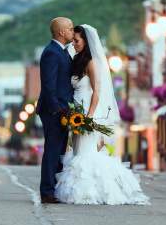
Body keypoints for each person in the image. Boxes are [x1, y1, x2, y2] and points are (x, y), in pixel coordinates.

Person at [54, 24, 150, 205]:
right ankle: (82, 190)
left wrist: (88, 118)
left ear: (86, 42)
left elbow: (97, 92)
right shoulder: (76, 61)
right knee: (77, 152)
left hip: (88, 114)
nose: (73, 43)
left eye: (77, 40)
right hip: (76, 112)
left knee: (85, 154)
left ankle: (91, 192)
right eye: (73, 40)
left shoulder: (91, 62)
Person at [36, 17, 75, 203]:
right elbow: (48, 86)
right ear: (61, 32)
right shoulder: (52, 53)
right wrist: (58, 111)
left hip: (62, 109)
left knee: (59, 150)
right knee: (52, 150)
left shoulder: (62, 52)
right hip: (53, 111)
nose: (72, 31)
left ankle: (55, 189)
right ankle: (47, 192)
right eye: (69, 28)